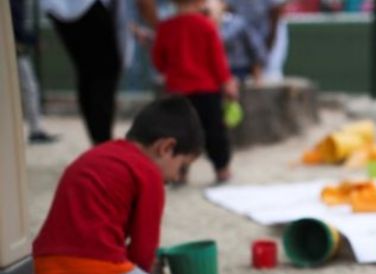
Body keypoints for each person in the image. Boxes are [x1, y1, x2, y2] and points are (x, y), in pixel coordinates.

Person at [35, 96, 204, 274]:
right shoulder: (148, 173)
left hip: (43, 270)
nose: (178, 176)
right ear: (166, 148)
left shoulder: (99, 153)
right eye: (183, 167)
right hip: (90, 267)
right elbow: (142, 250)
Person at [43, 0, 158, 145]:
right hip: (87, 6)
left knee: (88, 71)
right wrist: (162, 28)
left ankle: (98, 140)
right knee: (104, 71)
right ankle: (102, 141)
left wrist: (133, 29)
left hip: (58, 7)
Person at [153, 0, 238, 184]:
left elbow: (159, 61)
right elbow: (217, 59)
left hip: (177, 91)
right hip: (207, 90)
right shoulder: (206, 25)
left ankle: (179, 172)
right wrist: (227, 82)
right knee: (214, 131)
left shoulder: (165, 27)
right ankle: (222, 169)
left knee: (179, 135)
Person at [10, 0, 58, 144]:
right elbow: (16, 29)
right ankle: (35, 130)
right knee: (29, 89)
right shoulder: (13, 4)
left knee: (29, 89)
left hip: (17, 51)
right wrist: (35, 40)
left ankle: (35, 129)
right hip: (15, 52)